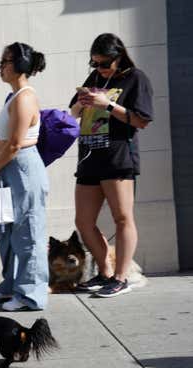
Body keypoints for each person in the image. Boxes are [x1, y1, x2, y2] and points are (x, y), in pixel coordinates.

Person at [69, 33, 153, 297]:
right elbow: (72, 113)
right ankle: (105, 272)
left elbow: (141, 120)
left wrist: (108, 105)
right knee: (83, 221)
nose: (99, 68)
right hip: (89, 157)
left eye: (104, 63)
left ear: (119, 57)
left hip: (118, 157)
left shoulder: (136, 78)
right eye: (94, 63)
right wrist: (80, 105)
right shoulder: (94, 78)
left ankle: (121, 277)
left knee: (122, 217)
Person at [0, 42, 49, 311]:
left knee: (28, 231)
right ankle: (10, 285)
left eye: (6, 62)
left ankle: (30, 295)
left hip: (21, 169)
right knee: (7, 230)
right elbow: (1, 136)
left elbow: (15, 143)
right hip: (5, 170)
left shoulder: (25, 97)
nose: (1, 67)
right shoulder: (13, 97)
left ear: (20, 65)